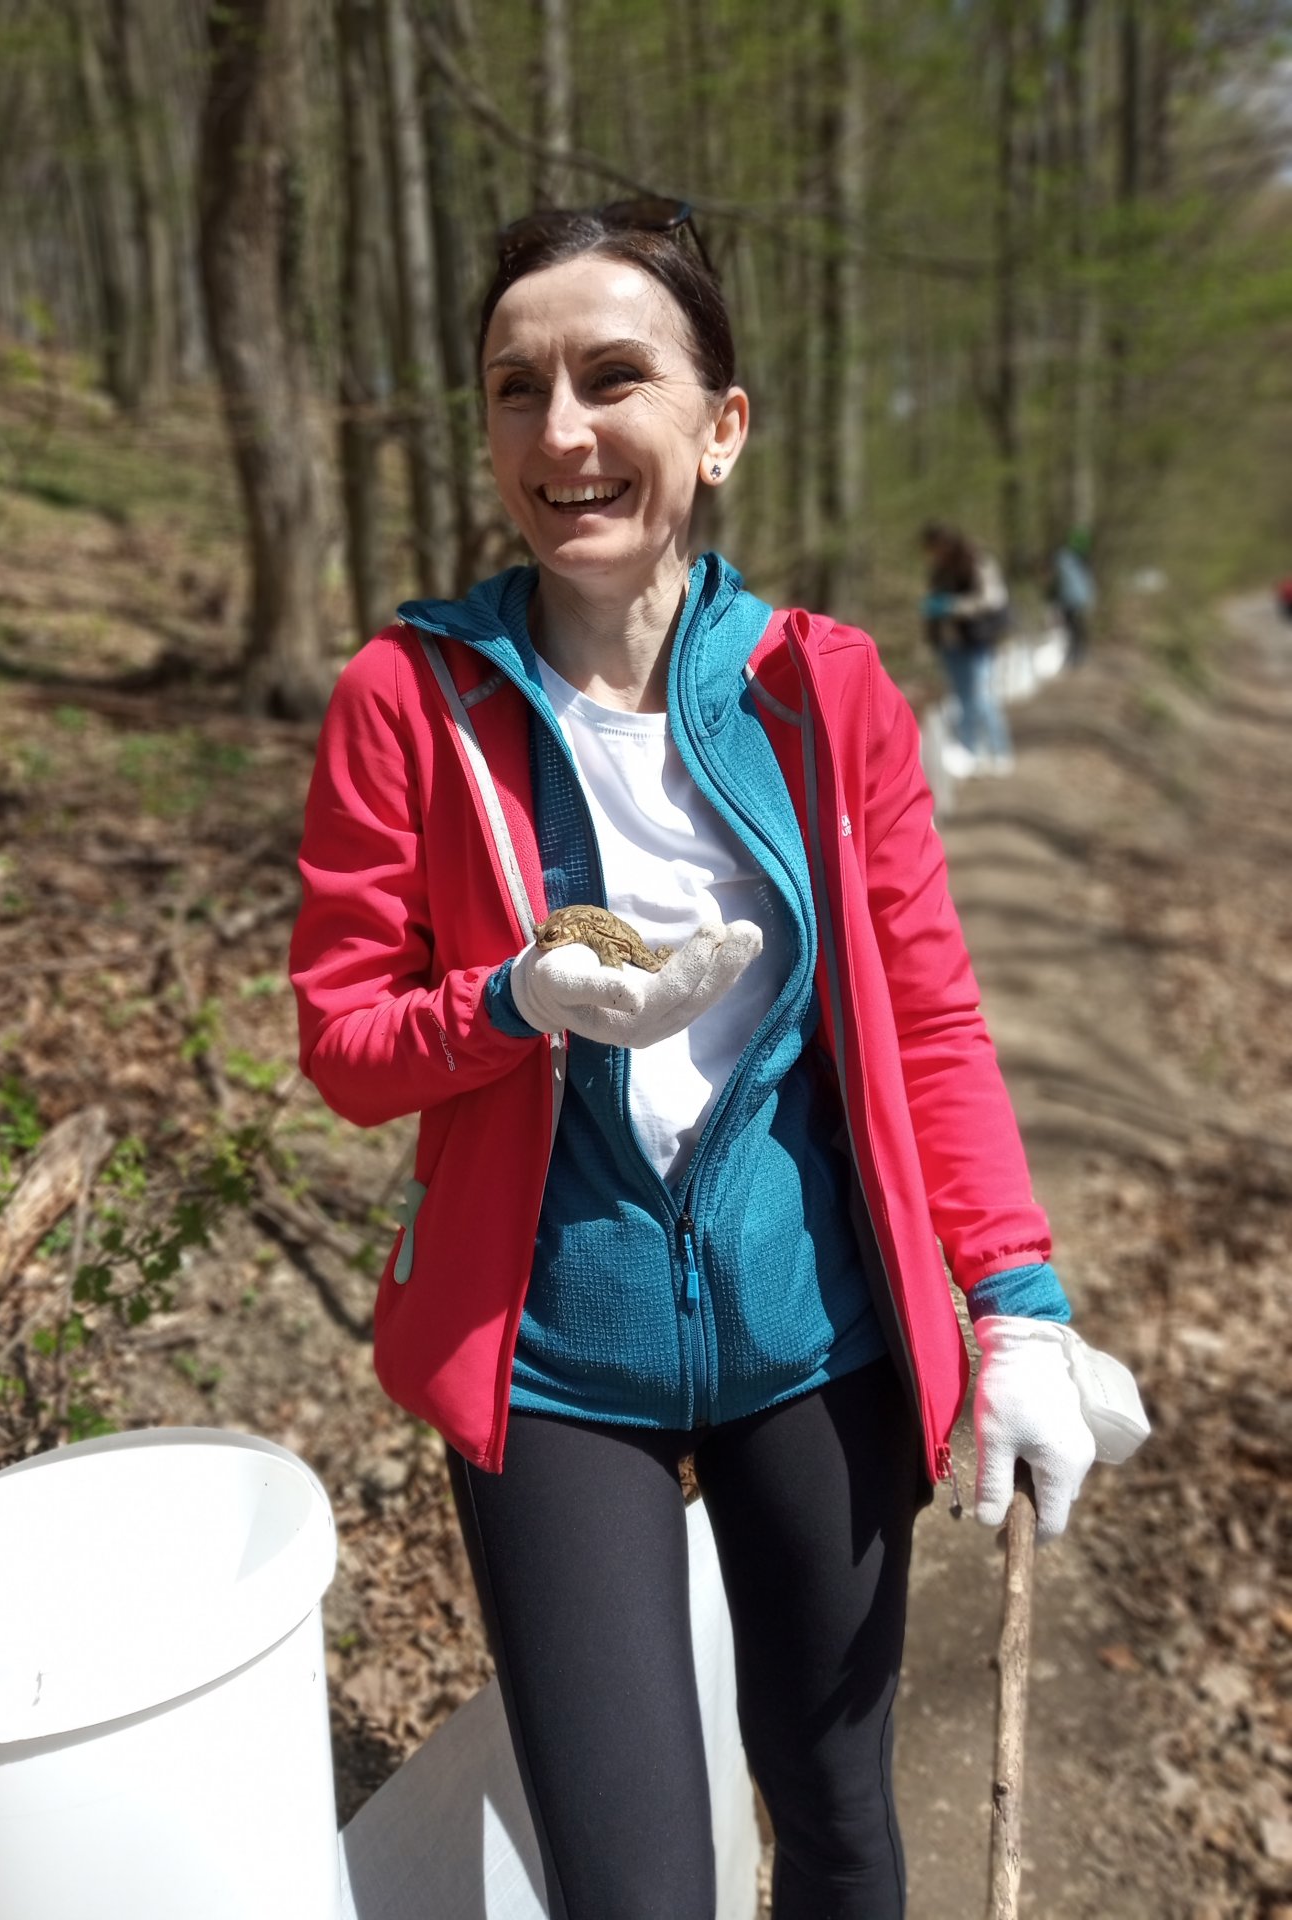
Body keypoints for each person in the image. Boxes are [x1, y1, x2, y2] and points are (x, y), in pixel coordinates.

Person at [290, 200, 1146, 1920]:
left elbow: (927, 1015)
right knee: (632, 1887)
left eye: (614, 378)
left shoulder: (819, 690)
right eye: (515, 388)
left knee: (833, 1814)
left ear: (719, 427)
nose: (563, 431)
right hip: (550, 1363)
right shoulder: (409, 698)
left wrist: (1019, 1304)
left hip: (807, 1336)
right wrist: (508, 1005)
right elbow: (343, 1042)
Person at [920, 520, 1014, 774]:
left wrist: (953, 606)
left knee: (981, 697)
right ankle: (970, 750)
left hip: (976, 641)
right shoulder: (939, 570)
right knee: (961, 699)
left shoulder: (976, 562)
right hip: (951, 644)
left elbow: (992, 598)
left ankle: (999, 750)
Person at [1048, 528, 1097, 664]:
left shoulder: (1063, 558)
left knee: (1072, 629)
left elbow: (1057, 581)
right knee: (1076, 629)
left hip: (1070, 600)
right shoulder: (1082, 561)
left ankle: (1074, 656)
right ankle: (1076, 655)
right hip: (1077, 600)